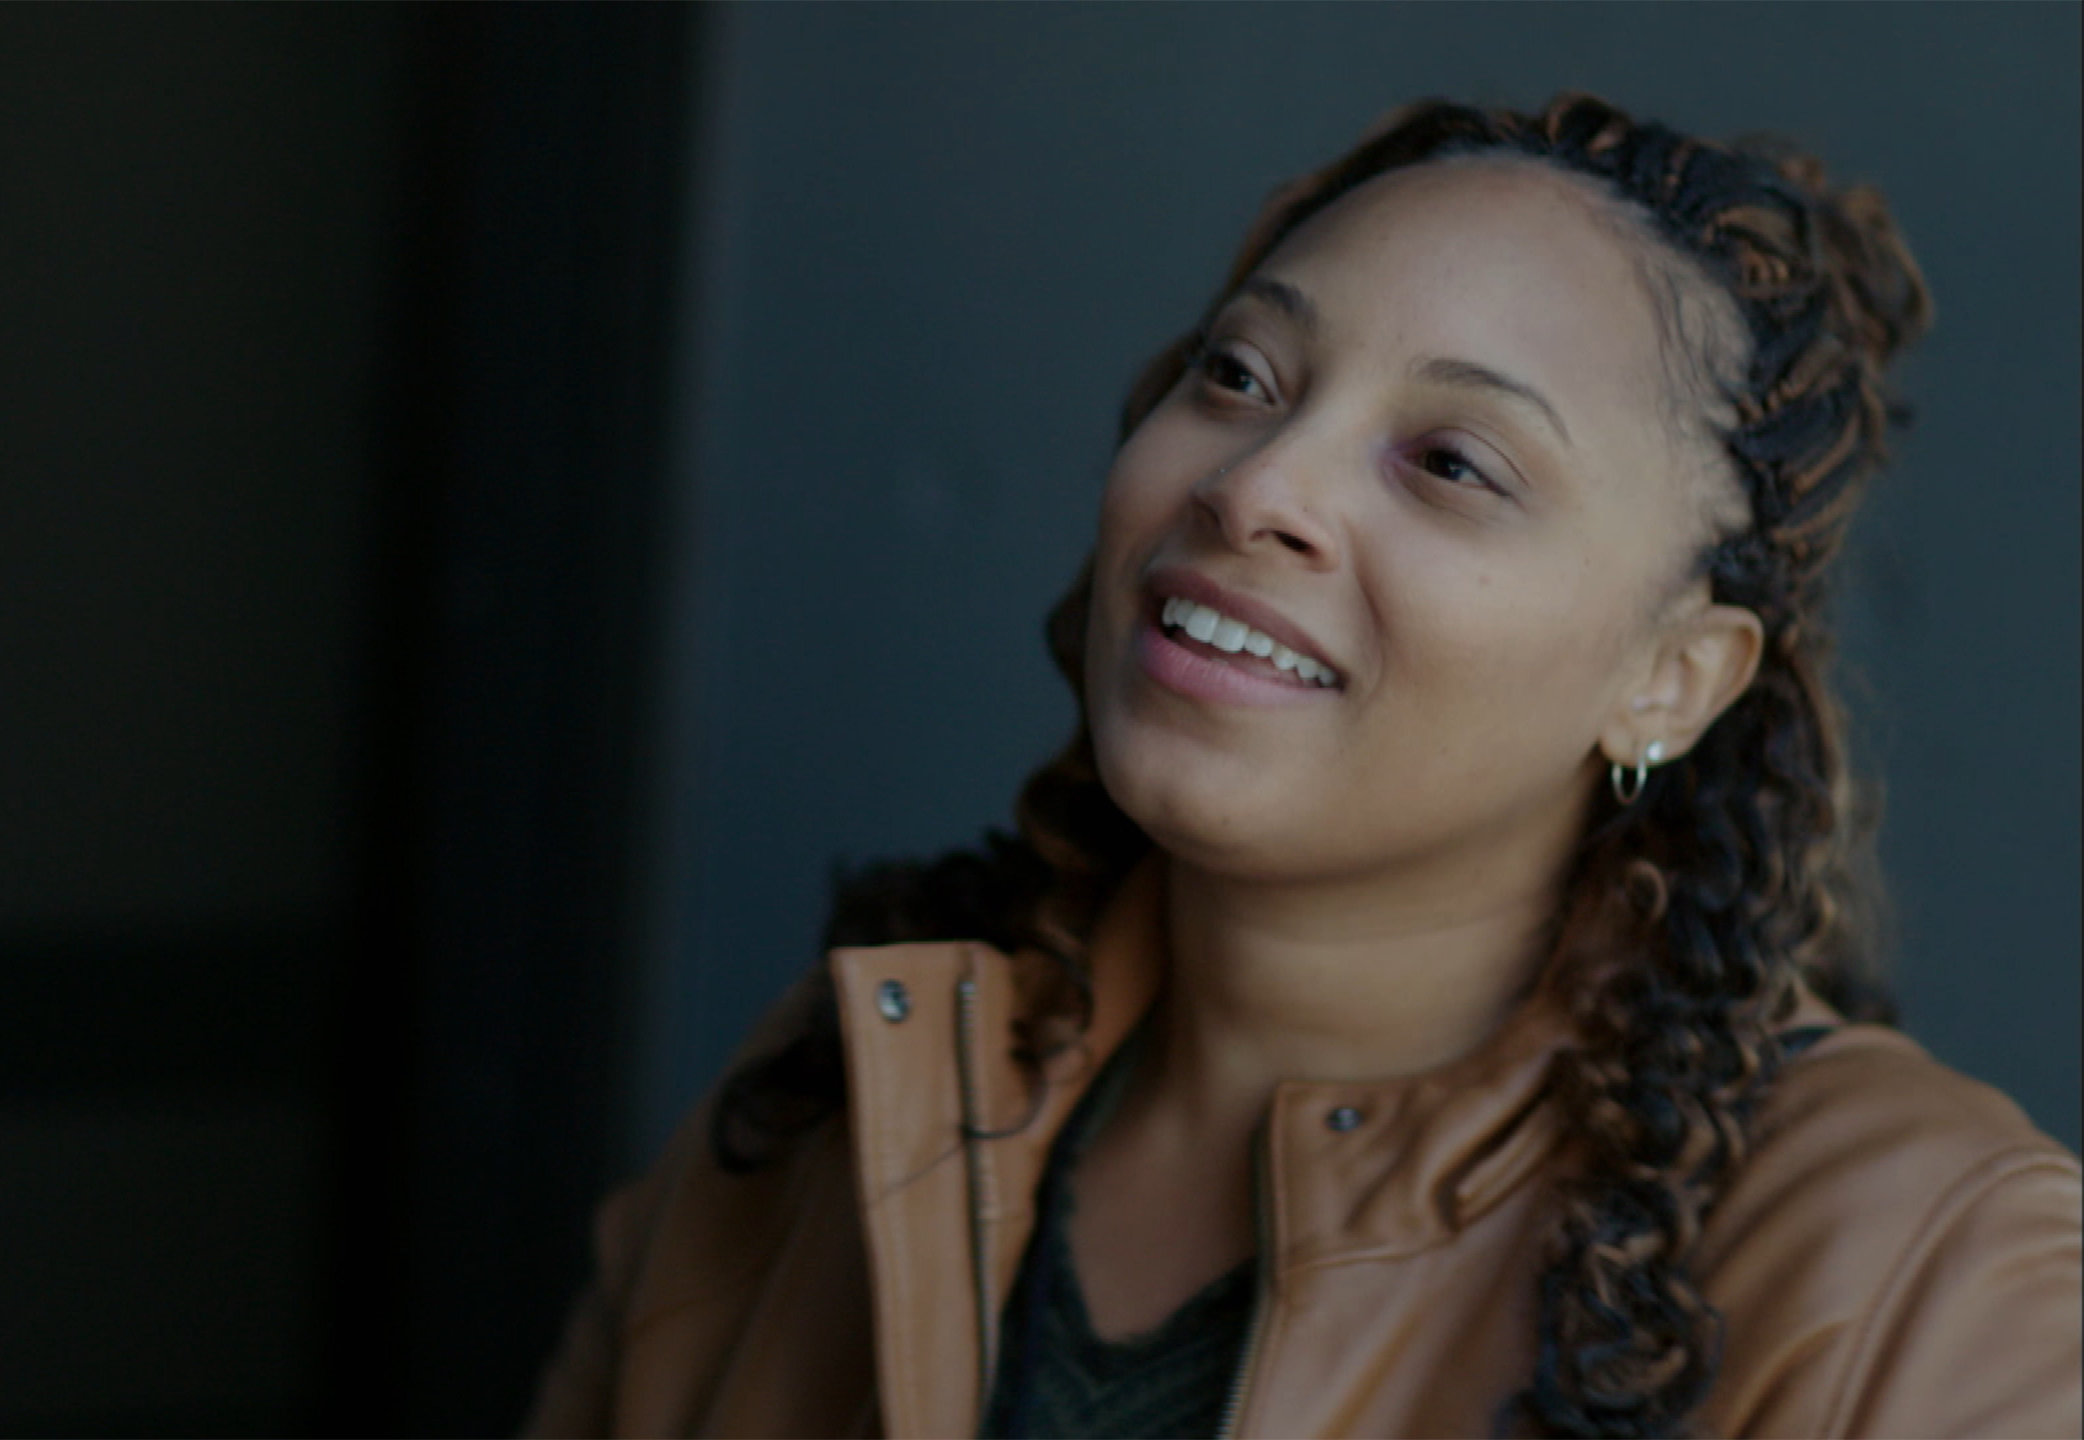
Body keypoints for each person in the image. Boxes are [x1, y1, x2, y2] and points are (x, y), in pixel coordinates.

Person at [521, 94, 2082, 1439]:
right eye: (1241, 376)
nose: (1258, 485)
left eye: (1452, 463)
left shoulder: (1938, 1277)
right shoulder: (829, 1105)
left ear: (1668, 681)